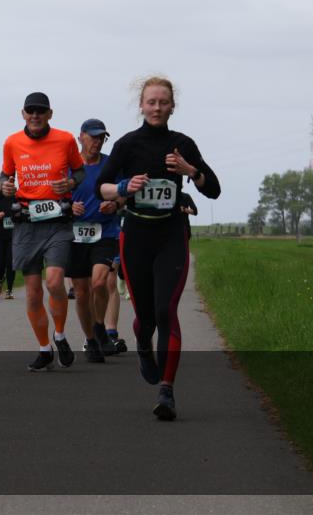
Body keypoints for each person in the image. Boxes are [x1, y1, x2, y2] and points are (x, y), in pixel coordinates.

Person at [97, 76, 220, 420]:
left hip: (171, 237)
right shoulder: (127, 145)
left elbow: (214, 190)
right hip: (135, 236)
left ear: (172, 107)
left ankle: (167, 390)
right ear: (141, 105)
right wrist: (123, 185)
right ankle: (141, 339)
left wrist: (190, 170)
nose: (157, 108)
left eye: (163, 102)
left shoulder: (182, 144)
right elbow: (99, 189)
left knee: (167, 311)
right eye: (151, 102)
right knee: (147, 317)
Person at [0, 92, 85, 372]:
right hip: (26, 221)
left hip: (58, 221)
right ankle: (45, 348)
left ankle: (60, 335)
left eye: (41, 111)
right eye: (30, 111)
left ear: (50, 114)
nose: (35, 115)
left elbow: (80, 172)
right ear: (22, 113)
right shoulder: (12, 142)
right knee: (34, 293)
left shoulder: (65, 139)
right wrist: (5, 187)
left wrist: (70, 183)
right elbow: (5, 175)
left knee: (54, 280)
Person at [66, 119, 124, 363]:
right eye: (93, 136)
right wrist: (69, 207)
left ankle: (99, 326)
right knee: (81, 292)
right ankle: (91, 340)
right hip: (75, 235)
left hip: (105, 232)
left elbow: (126, 193)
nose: (97, 142)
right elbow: (54, 195)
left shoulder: (111, 164)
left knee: (99, 283)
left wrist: (115, 204)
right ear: (81, 137)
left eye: (101, 138)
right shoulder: (67, 165)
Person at [104, 255, 128, 353]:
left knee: (110, 281)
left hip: (110, 240)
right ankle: (93, 335)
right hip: (87, 241)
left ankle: (111, 333)